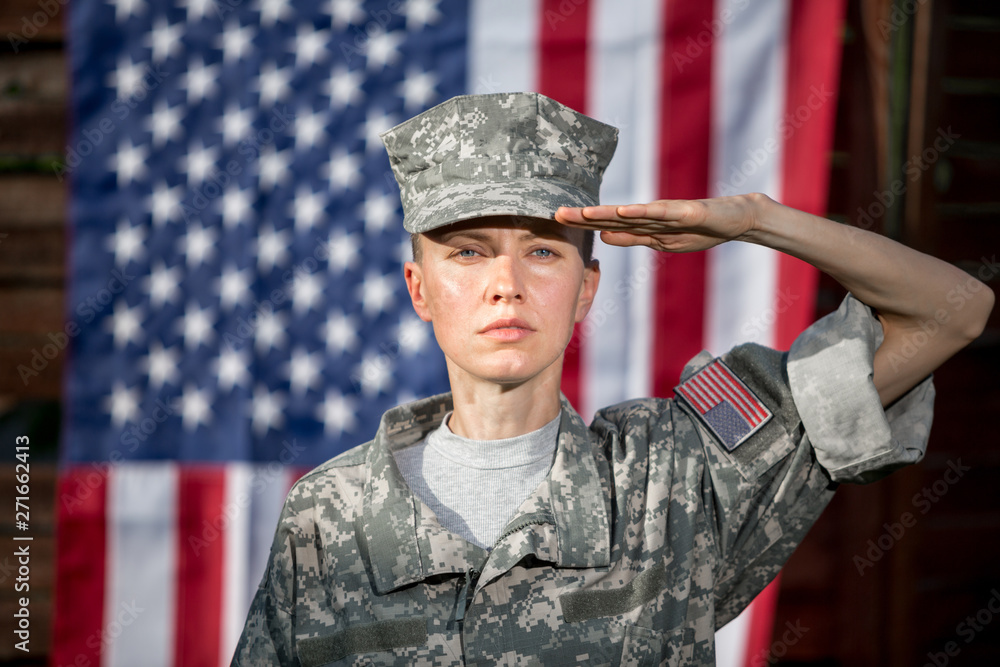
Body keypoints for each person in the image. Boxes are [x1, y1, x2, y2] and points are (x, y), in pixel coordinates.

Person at [232, 92, 993, 666]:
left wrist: (758, 218)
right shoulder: (327, 517)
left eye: (542, 251)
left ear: (585, 290)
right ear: (418, 288)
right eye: (467, 251)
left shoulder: (677, 478)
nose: (506, 286)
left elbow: (953, 311)